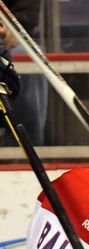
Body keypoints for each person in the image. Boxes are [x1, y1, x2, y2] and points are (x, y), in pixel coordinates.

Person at [0, 0, 46, 147]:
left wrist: (15, 27)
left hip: (5, 41)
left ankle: (23, 149)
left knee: (27, 55)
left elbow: (26, 8)